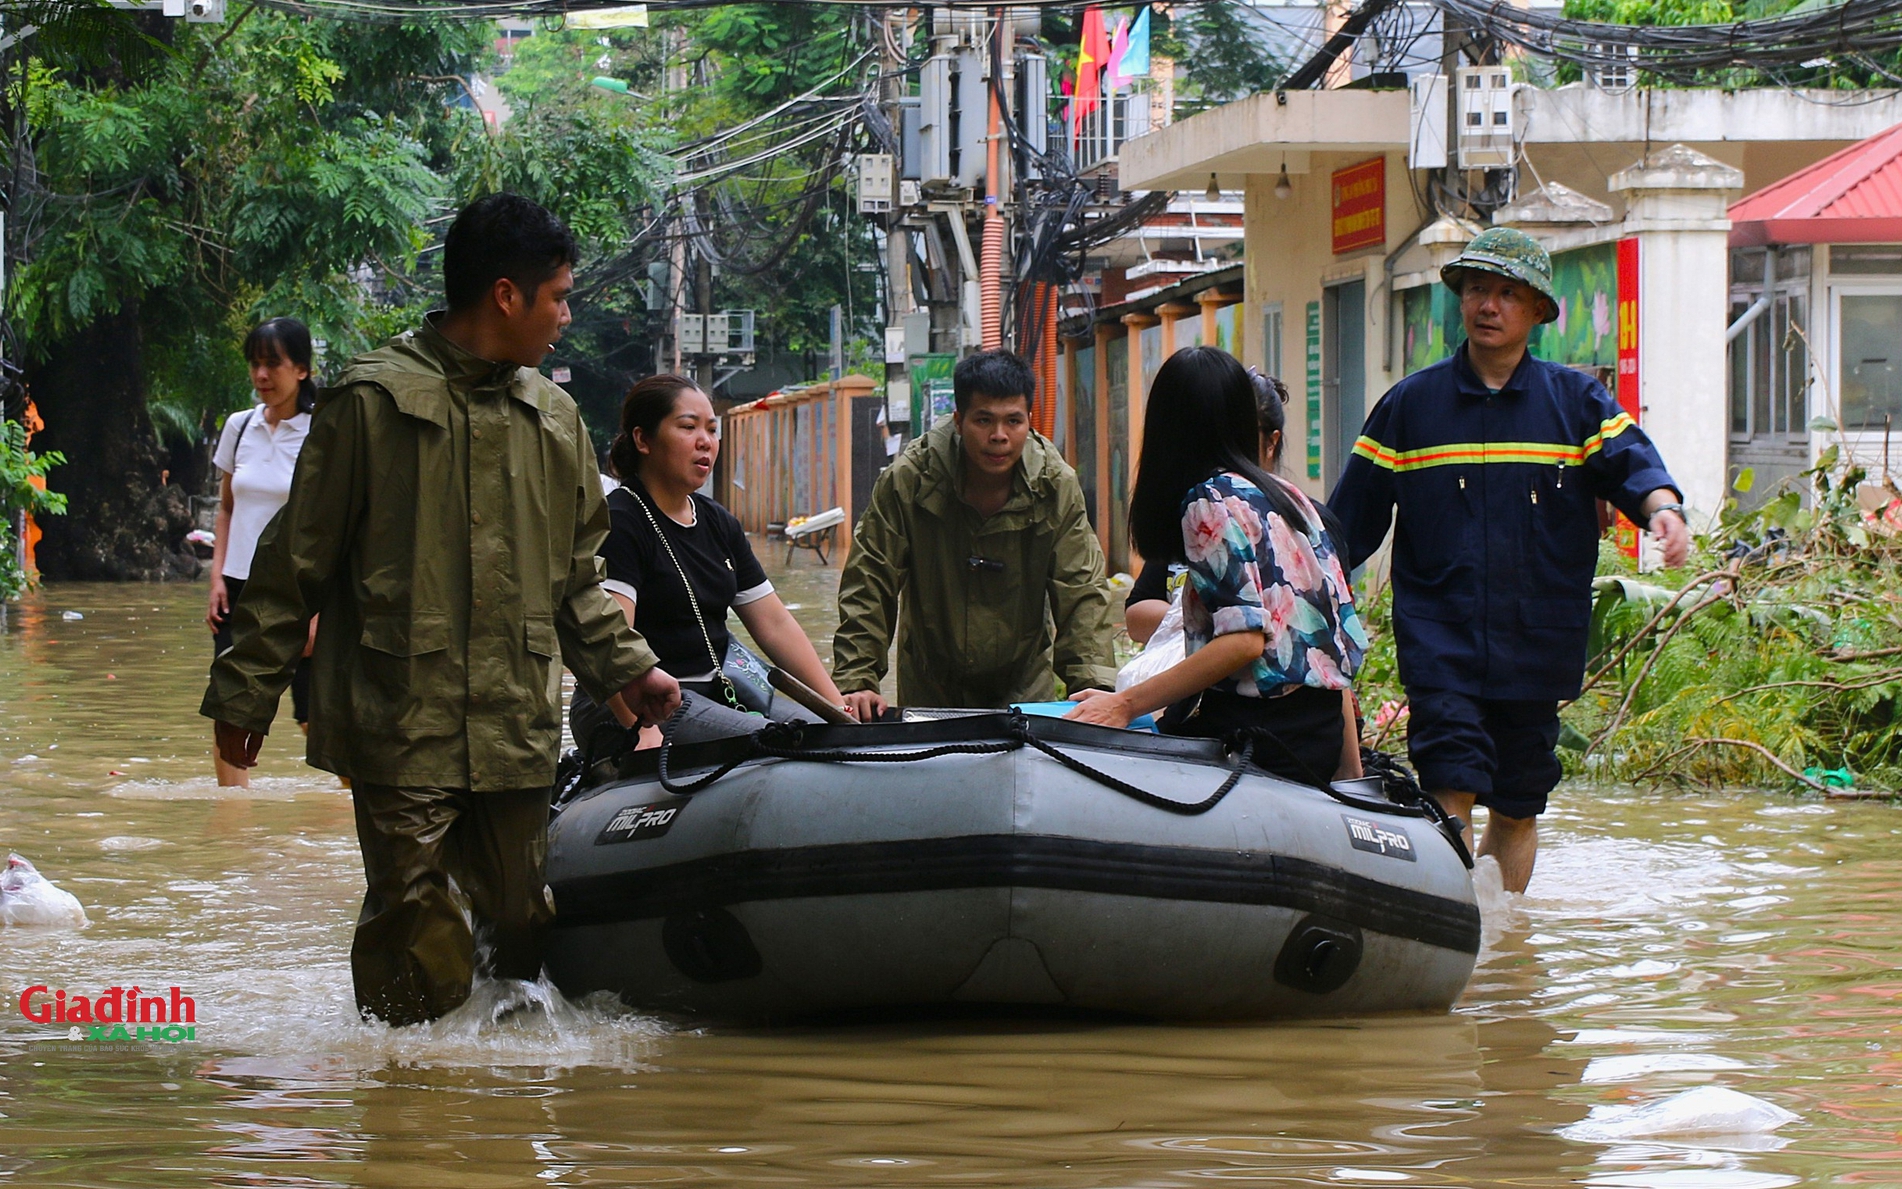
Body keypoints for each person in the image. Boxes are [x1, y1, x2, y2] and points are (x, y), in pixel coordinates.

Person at [201, 194, 681, 1026]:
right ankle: (404, 1102)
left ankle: (496, 1117)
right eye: (558, 296)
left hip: (512, 717)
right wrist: (247, 697)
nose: (566, 315)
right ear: (505, 295)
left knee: (520, 918)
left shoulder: (553, 416)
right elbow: (293, 564)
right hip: (400, 711)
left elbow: (574, 577)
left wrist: (627, 669)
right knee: (415, 916)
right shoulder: (372, 402)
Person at [1329, 226, 1689, 894]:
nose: (1486, 306)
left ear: (1537, 311)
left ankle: (1503, 953)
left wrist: (1663, 509)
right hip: (1442, 643)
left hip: (1537, 643)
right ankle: (1457, 939)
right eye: (1474, 290)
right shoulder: (1412, 407)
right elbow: (1346, 525)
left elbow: (1635, 465)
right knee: (1450, 787)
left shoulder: (1576, 405)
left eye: (1504, 293)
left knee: (1519, 804)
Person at [1067, 347, 1366, 790]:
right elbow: (1328, 646)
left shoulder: (1208, 502)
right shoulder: (1289, 497)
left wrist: (1124, 705)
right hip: (1315, 734)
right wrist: (1350, 774)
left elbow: (1243, 642)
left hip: (1259, 738)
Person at [568, 374, 847, 753]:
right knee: (778, 747)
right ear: (643, 439)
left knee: (826, 735)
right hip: (643, 702)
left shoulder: (718, 522)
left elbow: (775, 623)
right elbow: (610, 640)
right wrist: (641, 728)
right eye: (688, 427)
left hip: (721, 689)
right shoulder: (621, 520)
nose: (706, 441)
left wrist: (838, 708)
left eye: (713, 430)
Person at [833, 348, 1117, 718]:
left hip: (1025, 683)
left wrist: (1090, 682)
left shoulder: (1055, 485)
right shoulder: (910, 479)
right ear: (958, 420)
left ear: (1029, 422)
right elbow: (870, 580)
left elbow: (1081, 587)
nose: (999, 436)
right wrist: (858, 681)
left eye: (1013, 422)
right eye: (983, 420)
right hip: (930, 683)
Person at [206, 318, 318, 788]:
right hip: (237, 588)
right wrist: (215, 579)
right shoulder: (239, 426)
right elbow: (228, 509)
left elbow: (337, 526)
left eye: (273, 363)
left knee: (317, 717)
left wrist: (321, 612)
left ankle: (343, 828)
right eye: (255, 364)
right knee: (231, 712)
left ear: (303, 369)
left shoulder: (323, 431)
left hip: (302, 592)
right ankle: (233, 833)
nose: (261, 375)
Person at [1123, 368, 1288, 648]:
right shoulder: (1195, 513)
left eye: (1238, 437)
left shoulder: (1295, 518)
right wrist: (1192, 619)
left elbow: (1244, 641)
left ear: (1270, 443)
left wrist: (1133, 696)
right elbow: (1136, 614)